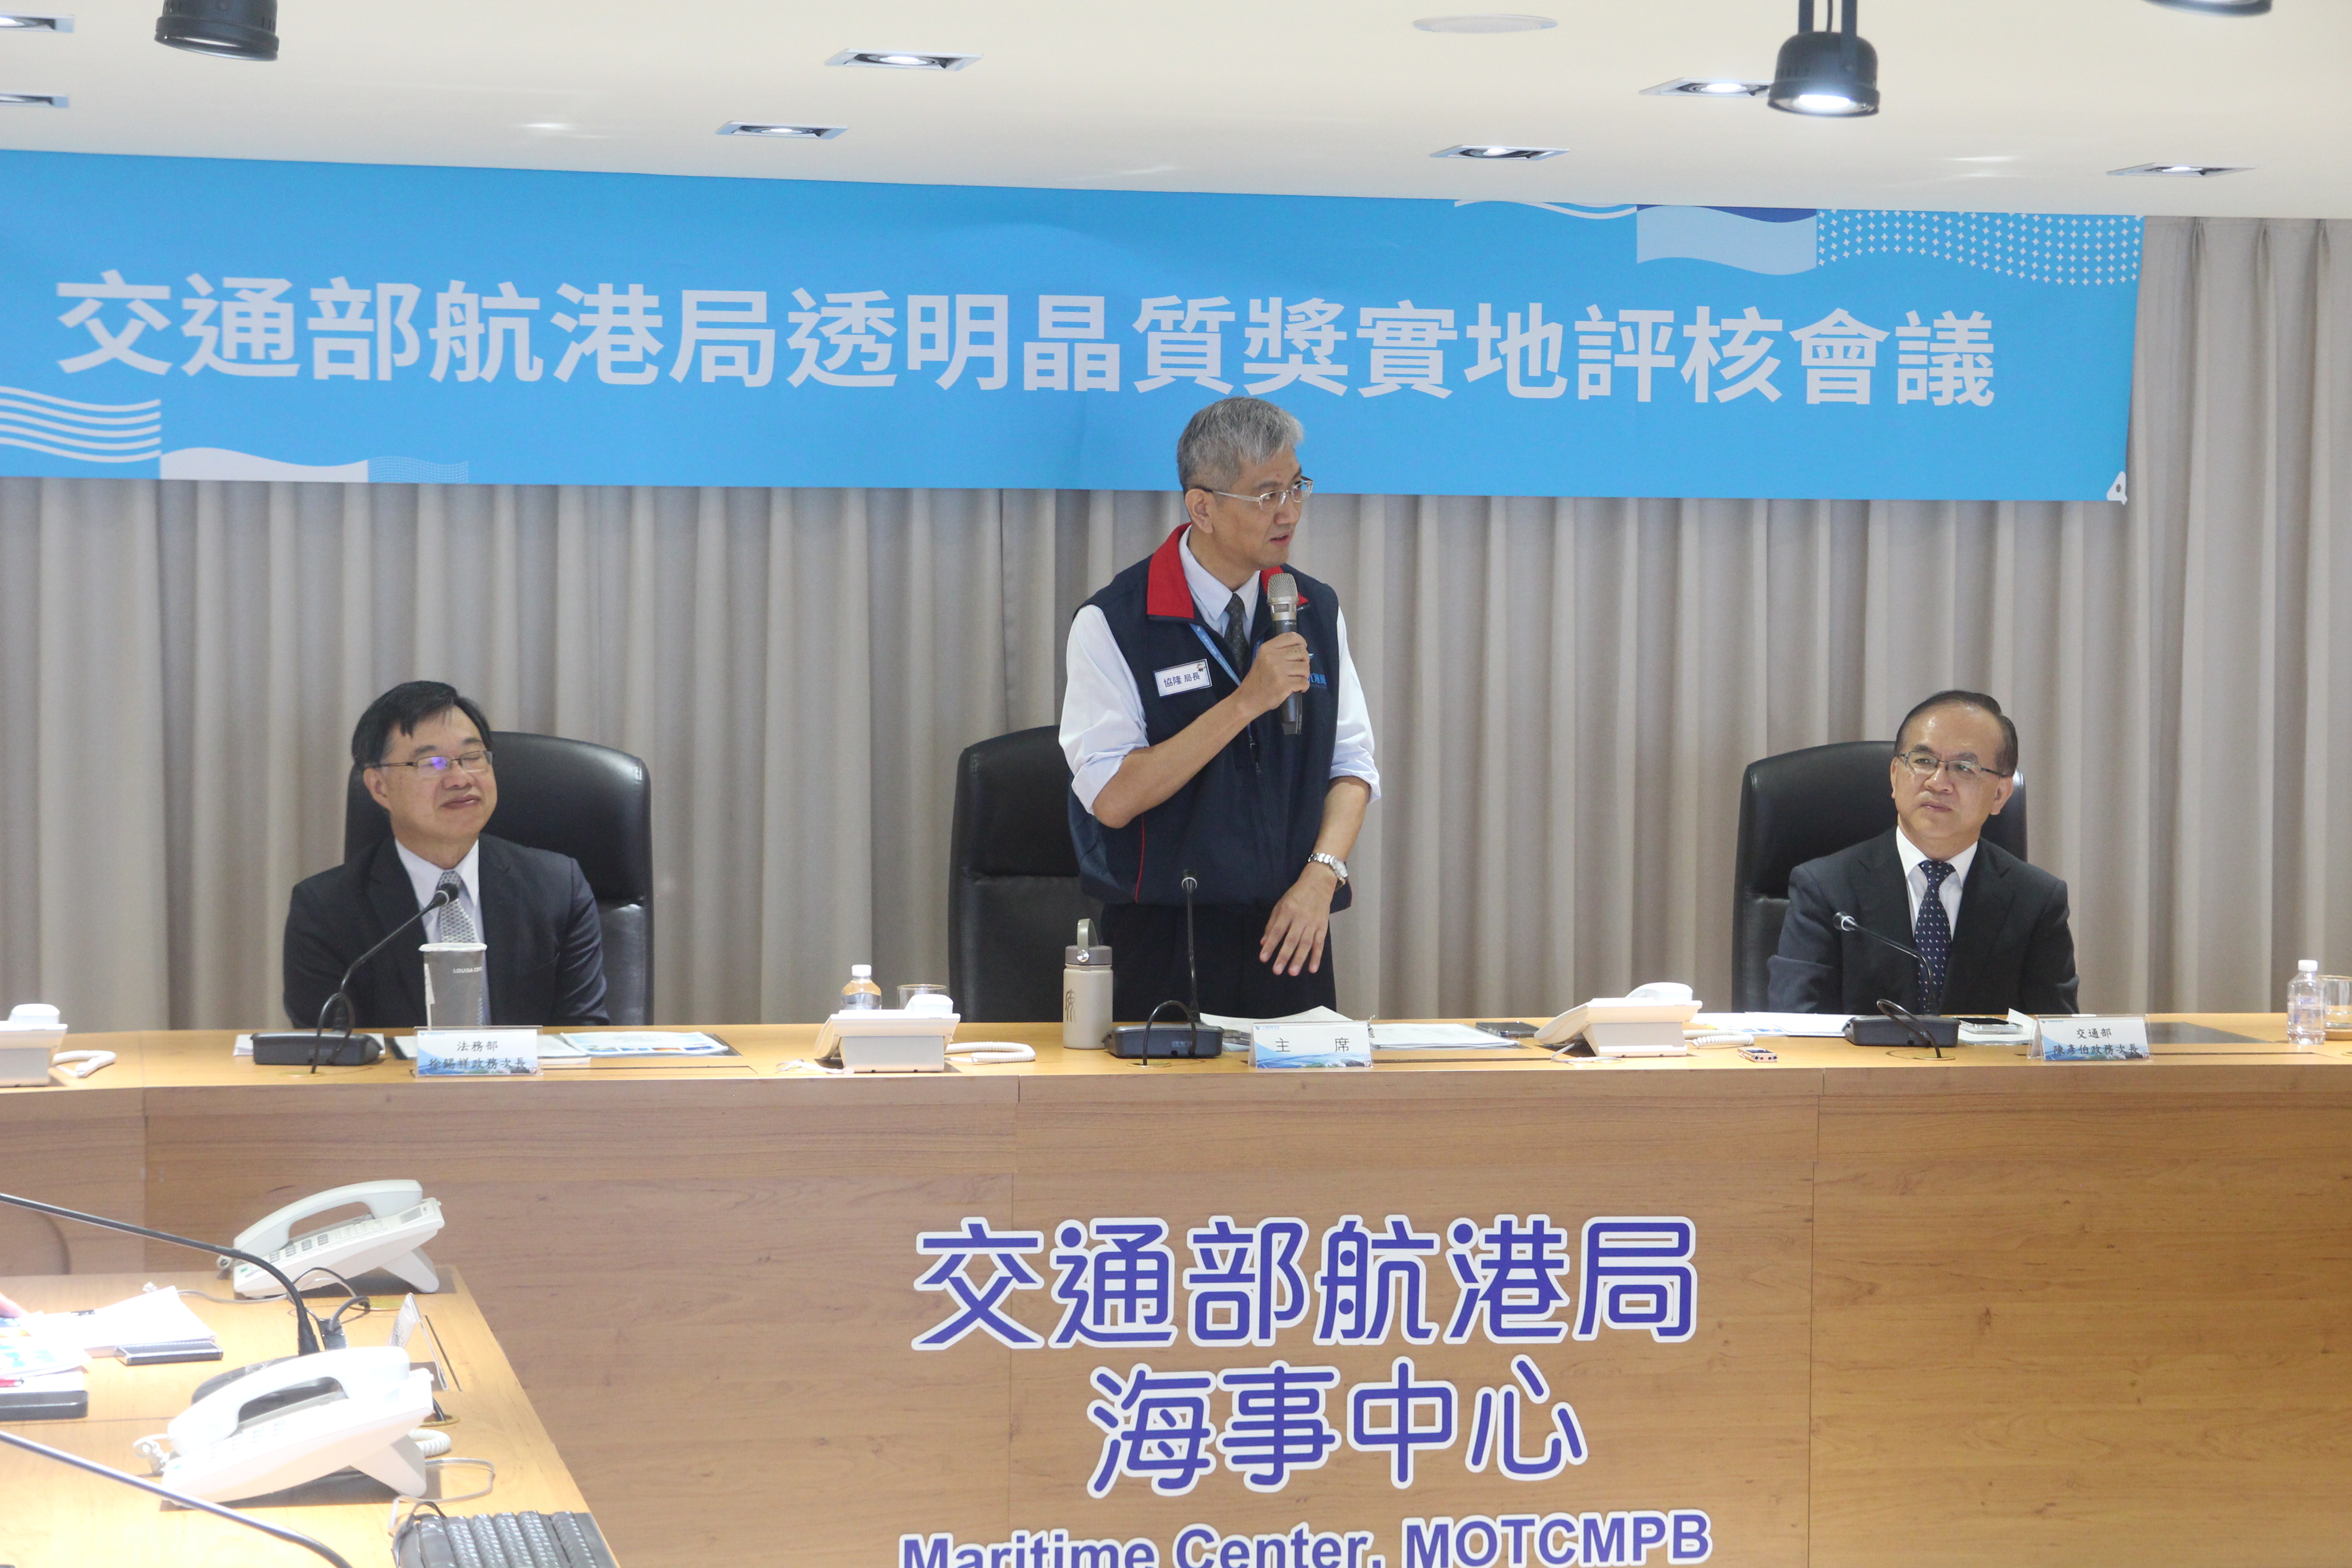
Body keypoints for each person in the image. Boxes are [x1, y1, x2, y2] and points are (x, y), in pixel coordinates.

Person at [1060, 397, 1378, 1021]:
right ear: (1201, 506)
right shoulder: (1114, 622)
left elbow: (1352, 766)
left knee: (1303, 1118)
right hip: (1164, 941)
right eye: (1266, 495)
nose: (1288, 512)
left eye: (1296, 487)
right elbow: (1114, 798)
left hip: (1292, 933)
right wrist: (1245, 703)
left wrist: (1322, 877)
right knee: (1164, 1122)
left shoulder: (1315, 607)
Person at [283, 681, 609, 1029]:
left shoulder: (558, 888)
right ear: (380, 787)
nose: (459, 779)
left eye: (473, 758)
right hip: (394, 1085)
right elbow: (330, 1056)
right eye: (432, 762)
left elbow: (583, 1040)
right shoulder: (326, 910)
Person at [1768, 689, 2078, 1016]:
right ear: (1894, 775)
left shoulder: (2037, 901)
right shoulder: (1825, 889)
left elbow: (2054, 1041)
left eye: (1963, 768)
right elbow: (1796, 1027)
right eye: (1923, 761)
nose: (1938, 782)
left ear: (2000, 794)